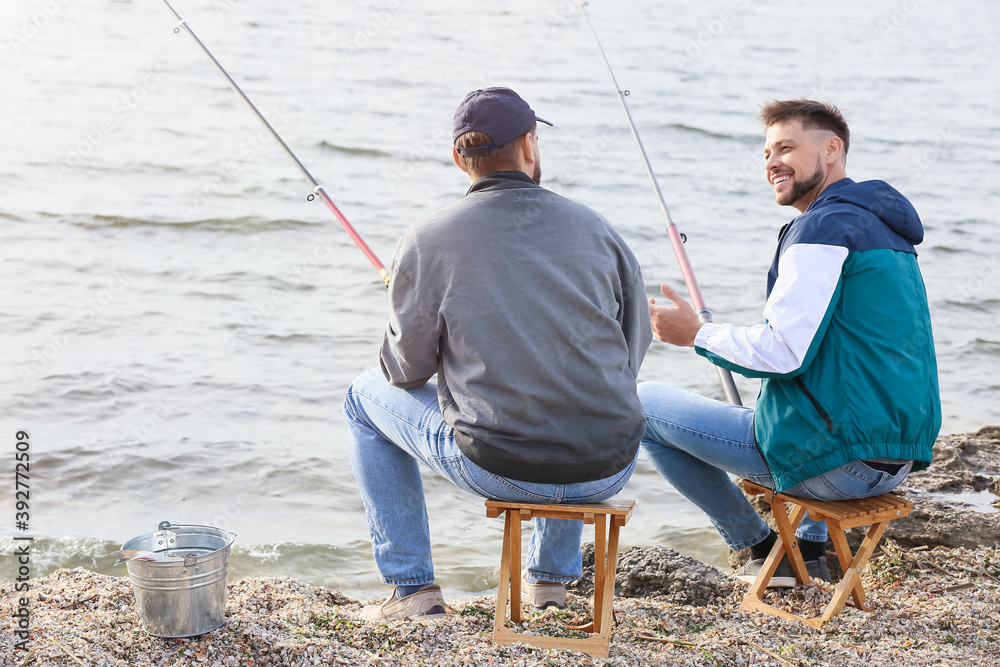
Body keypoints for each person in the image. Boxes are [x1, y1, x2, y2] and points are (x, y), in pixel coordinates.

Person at [344, 87, 651, 619]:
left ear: (459, 159)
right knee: (571, 386)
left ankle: (412, 592)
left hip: (501, 468)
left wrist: (407, 298)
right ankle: (550, 585)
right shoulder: (598, 228)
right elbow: (631, 353)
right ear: (530, 145)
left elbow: (403, 371)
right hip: (609, 466)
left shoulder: (429, 236)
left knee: (360, 398)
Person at [638, 99, 941, 586]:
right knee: (815, 397)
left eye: (786, 147)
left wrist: (696, 334)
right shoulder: (884, 229)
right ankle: (810, 547)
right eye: (764, 153)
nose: (771, 162)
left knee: (643, 406)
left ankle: (761, 548)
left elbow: (783, 352)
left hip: (841, 466)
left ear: (831, 149)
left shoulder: (821, 228)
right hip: (896, 458)